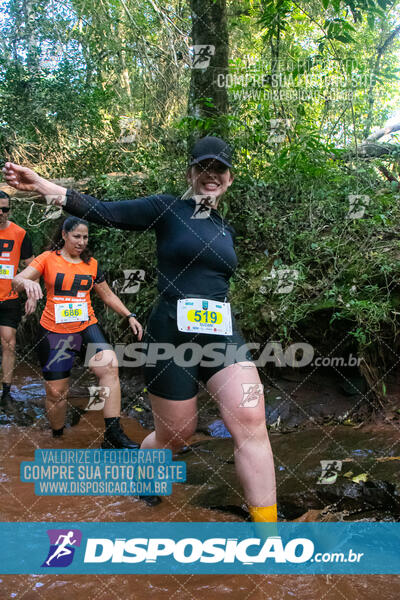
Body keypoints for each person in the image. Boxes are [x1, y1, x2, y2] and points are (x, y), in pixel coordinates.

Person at [3, 136, 277, 522]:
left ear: (230, 178)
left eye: (219, 169)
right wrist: (43, 185)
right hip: (170, 336)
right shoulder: (167, 209)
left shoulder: (225, 229)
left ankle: (269, 537)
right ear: (191, 173)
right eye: (204, 167)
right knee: (176, 435)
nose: (211, 175)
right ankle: (146, 481)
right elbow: (104, 212)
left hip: (221, 334)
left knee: (251, 421)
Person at [11, 216, 143, 449]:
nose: (82, 242)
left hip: (86, 326)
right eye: (77, 236)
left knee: (110, 366)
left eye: (85, 237)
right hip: (54, 331)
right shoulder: (47, 259)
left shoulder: (91, 264)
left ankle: (113, 435)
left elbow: (108, 295)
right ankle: (58, 436)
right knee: (57, 393)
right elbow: (17, 280)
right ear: (64, 235)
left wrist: (129, 315)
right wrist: (27, 283)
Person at [0, 190, 36, 405]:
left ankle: (6, 393)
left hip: (9, 298)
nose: (1, 213)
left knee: (9, 344)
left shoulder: (20, 234)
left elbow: (32, 267)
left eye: (5, 209)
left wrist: (31, 294)